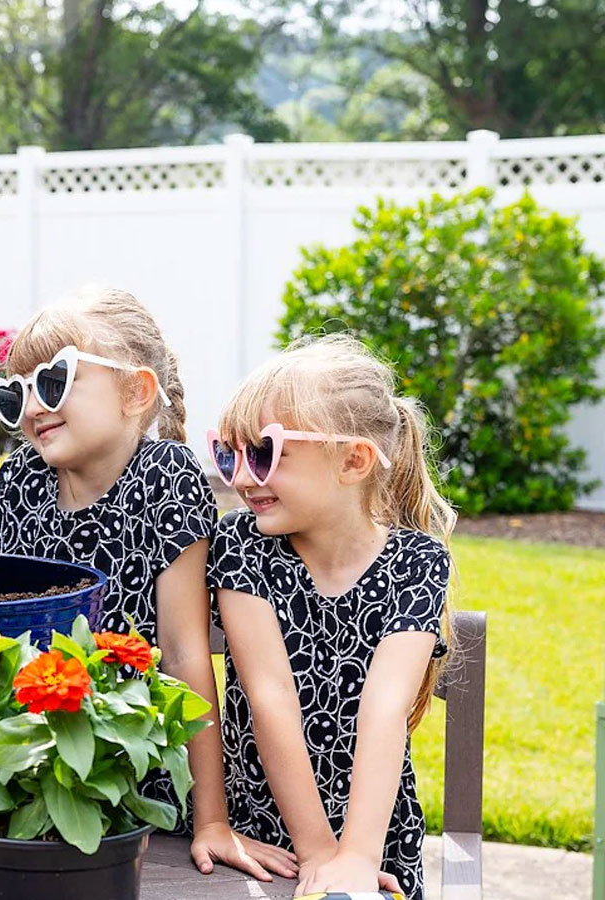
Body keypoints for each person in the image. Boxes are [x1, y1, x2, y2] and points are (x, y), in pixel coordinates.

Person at [0, 287, 297, 882]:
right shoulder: (18, 481)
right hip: (20, 767)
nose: (33, 409)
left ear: (135, 391)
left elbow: (185, 654)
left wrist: (212, 819)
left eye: (55, 381)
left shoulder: (164, 481)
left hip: (132, 782)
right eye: (17, 393)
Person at [207, 334, 455, 899]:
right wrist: (318, 852)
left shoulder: (418, 562)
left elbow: (386, 708)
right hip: (263, 842)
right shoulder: (244, 545)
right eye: (229, 452)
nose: (242, 477)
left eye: (265, 453)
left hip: (374, 841)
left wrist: (356, 858)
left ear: (353, 459)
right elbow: (269, 696)